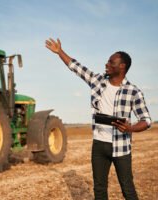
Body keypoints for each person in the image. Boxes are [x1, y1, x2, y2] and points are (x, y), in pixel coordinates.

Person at [45, 38, 151, 200]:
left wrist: (130, 128)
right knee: (99, 189)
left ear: (122, 66)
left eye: (111, 62)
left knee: (127, 189)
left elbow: (146, 120)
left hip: (121, 147)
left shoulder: (133, 92)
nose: (106, 64)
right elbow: (76, 67)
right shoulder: (97, 81)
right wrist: (59, 51)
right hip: (99, 145)